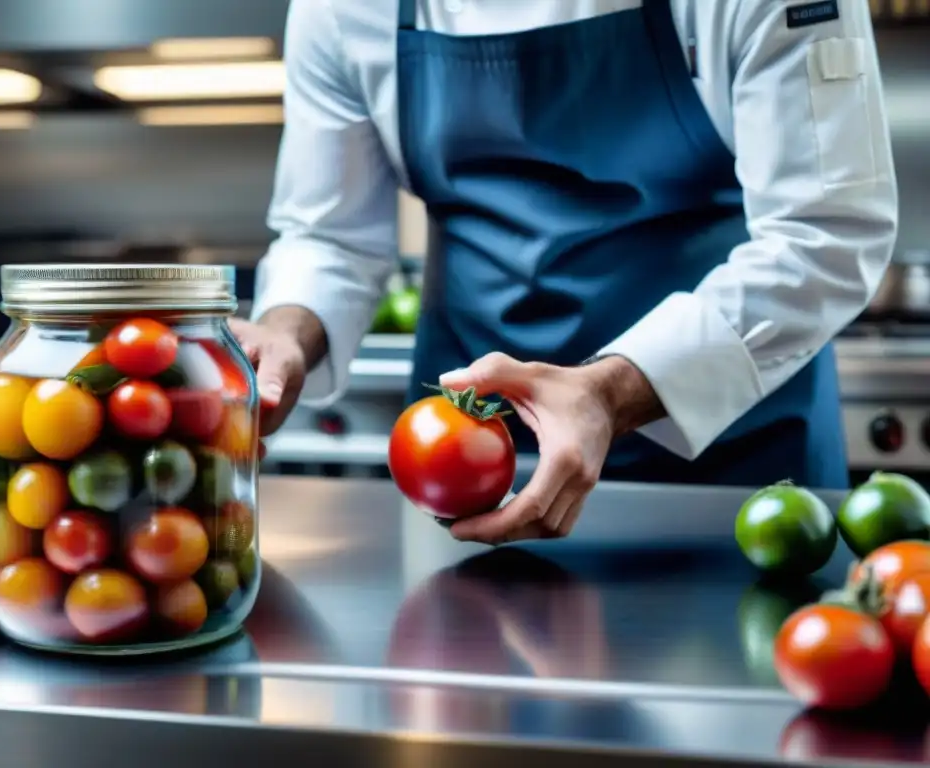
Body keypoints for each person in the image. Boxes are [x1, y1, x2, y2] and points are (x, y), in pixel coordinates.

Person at [231, 0, 898, 545]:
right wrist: (288, 333)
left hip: (739, 477)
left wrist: (608, 394)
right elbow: (328, 237)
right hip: (468, 469)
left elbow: (825, 234)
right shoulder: (347, 11)